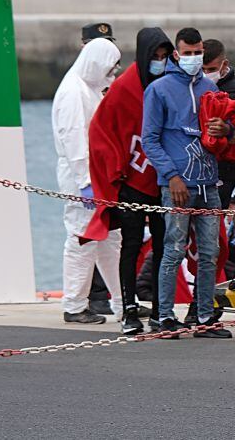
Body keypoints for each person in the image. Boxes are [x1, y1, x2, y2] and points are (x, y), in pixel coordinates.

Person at [141, 27, 233, 339]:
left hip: (209, 183)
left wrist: (225, 128)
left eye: (199, 53)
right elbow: (150, 140)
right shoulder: (158, 89)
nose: (194, 58)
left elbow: (223, 136)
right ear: (177, 53)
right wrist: (171, 177)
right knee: (173, 250)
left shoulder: (210, 87)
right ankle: (165, 317)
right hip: (177, 185)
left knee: (210, 252)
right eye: (188, 52)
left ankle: (204, 316)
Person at [88, 27, 174, 334]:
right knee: (132, 245)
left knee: (165, 246)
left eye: (165, 56)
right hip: (133, 181)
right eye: (155, 56)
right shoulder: (124, 88)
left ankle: (162, 311)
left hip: (164, 180)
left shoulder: (170, 83)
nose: (160, 62)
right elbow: (101, 131)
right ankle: (128, 310)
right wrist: (115, 170)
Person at [53, 38, 124, 324]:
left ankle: (122, 301)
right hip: (82, 175)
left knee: (111, 239)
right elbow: (74, 139)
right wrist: (85, 181)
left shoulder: (87, 88)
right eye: (109, 69)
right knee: (82, 238)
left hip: (98, 175)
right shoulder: (73, 92)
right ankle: (73, 304)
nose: (112, 75)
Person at [203, 39, 235, 209]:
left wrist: (228, 129)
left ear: (224, 64)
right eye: (202, 70)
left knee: (216, 214)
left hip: (227, 167)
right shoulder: (193, 85)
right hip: (199, 164)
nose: (207, 74)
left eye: (212, 70)